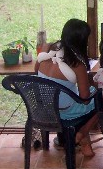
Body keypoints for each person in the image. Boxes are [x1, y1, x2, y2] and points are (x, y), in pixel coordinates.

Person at [34, 18, 97, 157]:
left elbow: (36, 72)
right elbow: (85, 99)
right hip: (64, 113)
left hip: (44, 109)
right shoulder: (77, 65)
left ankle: (78, 139)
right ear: (82, 41)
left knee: (74, 96)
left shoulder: (46, 49)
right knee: (101, 99)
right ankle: (82, 134)